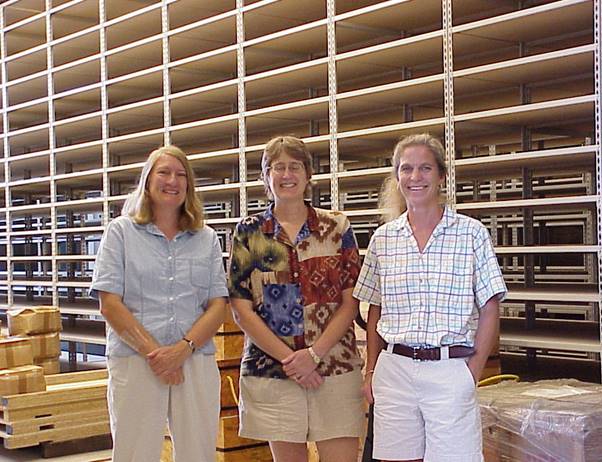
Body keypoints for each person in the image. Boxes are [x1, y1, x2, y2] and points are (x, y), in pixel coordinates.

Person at [353, 133, 507, 462]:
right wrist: (370, 371)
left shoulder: (471, 234)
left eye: (425, 168)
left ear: (442, 176)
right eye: (406, 169)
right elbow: (374, 309)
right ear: (396, 177)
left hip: (450, 368)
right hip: (395, 369)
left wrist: (472, 372)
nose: (415, 177)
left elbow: (491, 306)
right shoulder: (383, 239)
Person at [228, 135, 365, 462]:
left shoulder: (336, 227)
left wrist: (314, 355)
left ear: (307, 175)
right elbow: (241, 309)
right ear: (265, 176)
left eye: (294, 167)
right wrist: (293, 361)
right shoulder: (249, 232)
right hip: (275, 372)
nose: (286, 175)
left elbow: (351, 301)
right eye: (278, 168)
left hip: (334, 366)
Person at [89, 145, 228, 462]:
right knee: (134, 453)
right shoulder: (120, 232)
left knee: (198, 453)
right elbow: (109, 303)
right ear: (147, 181)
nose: (173, 181)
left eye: (181, 175)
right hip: (136, 361)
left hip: (194, 360)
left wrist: (182, 350)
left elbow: (218, 304)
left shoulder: (205, 238)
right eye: (164, 172)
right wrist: (156, 355)